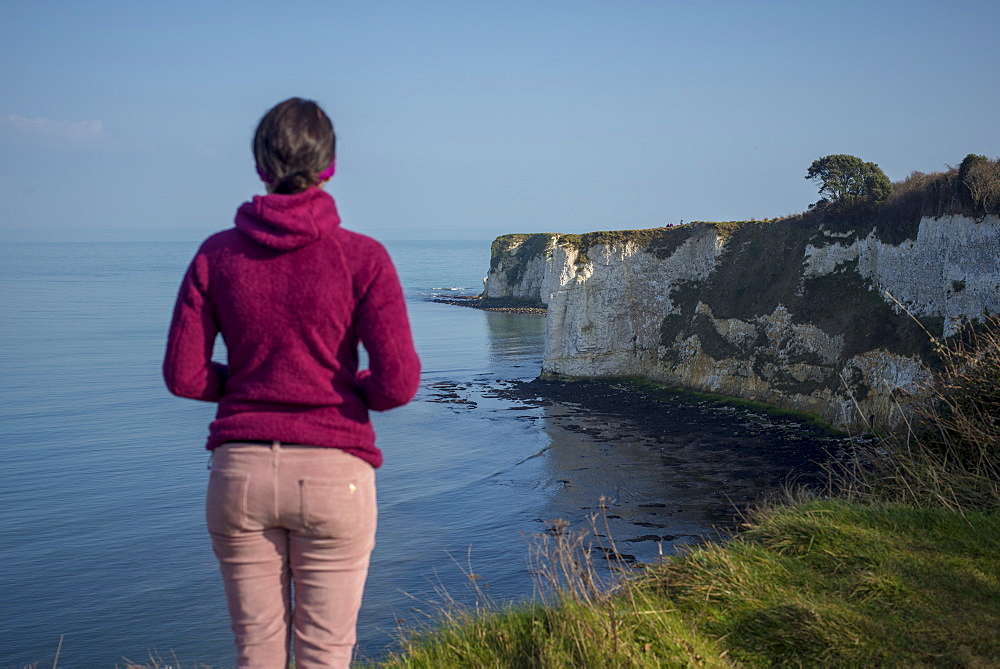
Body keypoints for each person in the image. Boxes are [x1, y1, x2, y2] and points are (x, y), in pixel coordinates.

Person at [163, 97, 421, 668]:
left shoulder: (216, 256)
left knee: (255, 653)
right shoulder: (364, 257)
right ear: (329, 166)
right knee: (325, 653)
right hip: (335, 471)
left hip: (242, 473)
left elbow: (183, 376)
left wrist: (248, 387)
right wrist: (349, 391)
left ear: (260, 166)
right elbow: (399, 383)